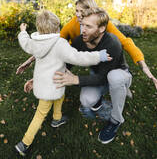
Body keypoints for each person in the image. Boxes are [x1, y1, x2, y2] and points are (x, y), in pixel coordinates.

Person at [53, 7, 157, 144]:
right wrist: (45, 75)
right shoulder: (80, 40)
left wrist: (75, 79)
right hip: (100, 77)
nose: (82, 29)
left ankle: (116, 120)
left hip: (120, 74)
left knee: (114, 77)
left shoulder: (112, 42)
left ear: (101, 28)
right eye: (82, 25)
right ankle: (107, 96)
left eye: (88, 26)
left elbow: (102, 77)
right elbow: (68, 62)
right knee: (86, 99)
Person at [15, 10, 111, 156]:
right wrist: (99, 55)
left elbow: (24, 42)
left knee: (60, 95)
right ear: (56, 28)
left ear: (39, 28)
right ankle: (24, 143)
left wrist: (23, 31)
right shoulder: (59, 43)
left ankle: (57, 119)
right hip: (52, 84)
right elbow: (78, 57)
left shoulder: (35, 42)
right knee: (40, 114)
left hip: (49, 83)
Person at [16, 0, 156, 90]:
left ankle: (120, 86)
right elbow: (51, 44)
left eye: (81, 11)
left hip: (104, 54)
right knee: (88, 76)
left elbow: (126, 43)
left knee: (111, 73)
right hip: (82, 53)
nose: (77, 15)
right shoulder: (72, 25)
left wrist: (145, 68)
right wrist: (30, 61)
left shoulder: (104, 25)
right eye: (76, 10)